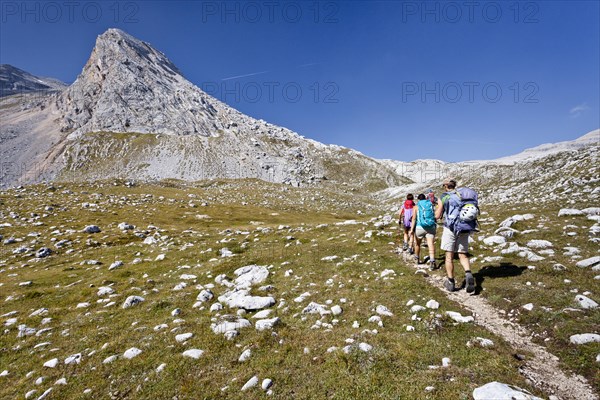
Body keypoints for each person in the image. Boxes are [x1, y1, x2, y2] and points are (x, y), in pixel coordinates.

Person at [435, 179, 476, 293]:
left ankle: (451, 282)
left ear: (445, 186)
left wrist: (437, 210)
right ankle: (468, 274)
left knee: (449, 256)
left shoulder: (444, 196)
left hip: (450, 228)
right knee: (463, 254)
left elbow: (438, 216)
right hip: (464, 227)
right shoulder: (462, 195)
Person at [410, 193, 437, 270]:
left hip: (419, 227)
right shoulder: (430, 205)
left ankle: (417, 258)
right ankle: (432, 261)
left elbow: (414, 219)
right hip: (430, 227)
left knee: (417, 244)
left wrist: (412, 230)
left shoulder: (416, 206)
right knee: (430, 243)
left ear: (418, 199)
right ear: (425, 198)